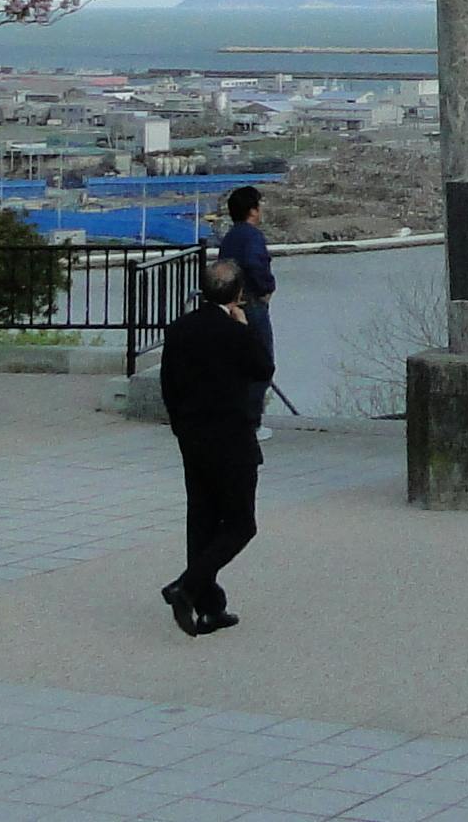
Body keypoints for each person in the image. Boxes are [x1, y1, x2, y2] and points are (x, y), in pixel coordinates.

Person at [158, 258, 272, 636]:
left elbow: (168, 384)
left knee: (203, 519)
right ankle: (187, 588)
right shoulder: (235, 332)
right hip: (232, 437)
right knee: (241, 523)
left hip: (192, 436)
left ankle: (209, 607)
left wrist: (179, 427)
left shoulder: (179, 329)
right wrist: (246, 327)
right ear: (238, 293)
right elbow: (262, 369)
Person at [217, 185, 277, 438]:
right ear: (252, 210)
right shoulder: (253, 237)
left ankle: (235, 419)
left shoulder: (230, 237)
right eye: (259, 205)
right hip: (251, 304)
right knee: (262, 363)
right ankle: (252, 423)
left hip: (232, 305)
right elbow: (254, 263)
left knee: (237, 365)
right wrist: (266, 287)